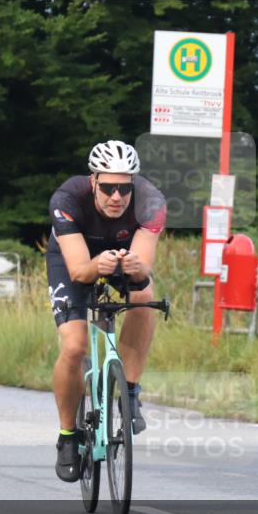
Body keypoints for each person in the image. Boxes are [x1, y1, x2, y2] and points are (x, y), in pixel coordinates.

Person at [45, 140, 166, 482]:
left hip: (122, 259)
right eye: (109, 187)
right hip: (75, 260)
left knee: (145, 297)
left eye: (124, 188)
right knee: (74, 346)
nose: (117, 197)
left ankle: (129, 391)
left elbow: (142, 273)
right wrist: (98, 264)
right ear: (93, 181)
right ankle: (68, 436)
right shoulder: (67, 200)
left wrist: (133, 267)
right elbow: (81, 271)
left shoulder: (151, 202)